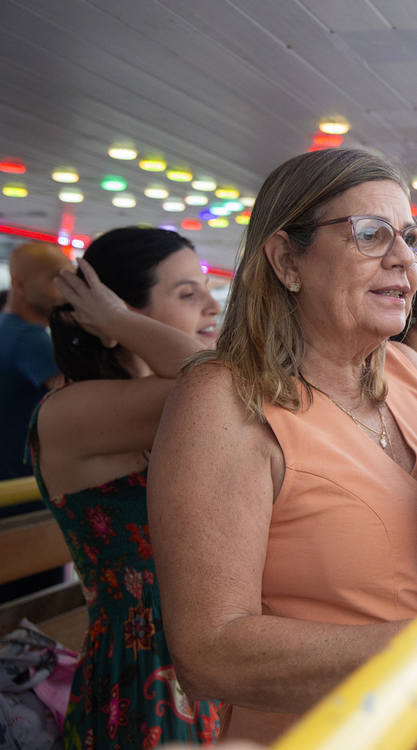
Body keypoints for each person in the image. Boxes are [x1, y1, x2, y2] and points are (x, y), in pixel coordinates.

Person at [146, 149, 417, 747]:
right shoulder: (224, 400)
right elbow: (209, 651)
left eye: (409, 237)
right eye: (371, 234)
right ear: (286, 260)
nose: (404, 257)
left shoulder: (408, 369)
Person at [29, 227, 223, 747]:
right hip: (143, 675)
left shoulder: (148, 404)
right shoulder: (74, 409)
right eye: (187, 293)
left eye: (205, 287)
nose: (212, 304)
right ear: (111, 314)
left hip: (191, 658)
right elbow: (215, 381)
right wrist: (117, 321)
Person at [1, 242, 71, 480]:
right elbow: (74, 398)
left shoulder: (7, 328)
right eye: (55, 280)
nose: (65, 292)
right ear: (19, 284)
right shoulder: (30, 339)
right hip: (21, 483)